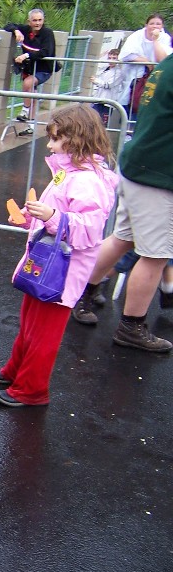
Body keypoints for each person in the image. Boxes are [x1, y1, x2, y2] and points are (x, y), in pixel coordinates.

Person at [0, 105, 118, 407]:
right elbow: (54, 216)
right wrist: (30, 219)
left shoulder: (87, 180)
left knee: (43, 331)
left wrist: (52, 216)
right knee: (30, 320)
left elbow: (89, 230)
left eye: (57, 139)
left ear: (76, 139)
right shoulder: (68, 173)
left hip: (61, 272)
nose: (50, 145)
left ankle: (31, 389)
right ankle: (16, 371)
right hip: (48, 265)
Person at [71, 45, 173, 352]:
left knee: (122, 238)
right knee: (154, 255)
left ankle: (84, 294)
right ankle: (132, 326)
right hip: (157, 173)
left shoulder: (167, 62)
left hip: (140, 165)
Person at [4, 9, 56, 136]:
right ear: (29, 21)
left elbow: (46, 52)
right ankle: (31, 126)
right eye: (34, 20)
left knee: (28, 84)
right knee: (32, 95)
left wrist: (26, 55)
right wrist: (16, 31)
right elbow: (8, 25)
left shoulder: (47, 33)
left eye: (40, 20)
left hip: (44, 69)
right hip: (29, 68)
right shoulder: (25, 29)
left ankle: (24, 110)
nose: (37, 23)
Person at [117, 14, 171, 123]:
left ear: (162, 26)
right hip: (135, 78)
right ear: (146, 25)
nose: (155, 26)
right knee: (132, 102)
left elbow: (163, 58)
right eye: (152, 23)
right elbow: (127, 54)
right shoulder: (136, 36)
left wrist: (155, 40)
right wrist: (146, 62)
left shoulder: (165, 38)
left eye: (158, 24)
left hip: (156, 77)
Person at [90, 48, 125, 126]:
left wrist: (96, 81)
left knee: (102, 124)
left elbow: (108, 85)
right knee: (92, 121)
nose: (111, 60)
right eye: (109, 58)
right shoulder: (106, 69)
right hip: (98, 99)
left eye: (114, 58)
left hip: (107, 102)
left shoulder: (119, 72)